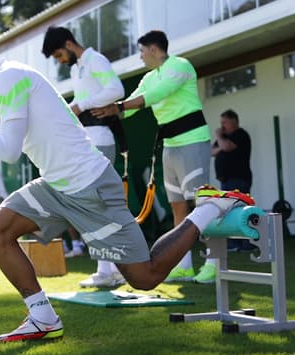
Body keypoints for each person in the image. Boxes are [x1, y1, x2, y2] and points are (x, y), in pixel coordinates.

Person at [0, 25, 247, 342]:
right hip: (57, 186)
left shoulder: (8, 77)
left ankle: (209, 209)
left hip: (90, 187)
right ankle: (43, 318)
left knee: (145, 277)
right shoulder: (5, 79)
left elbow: (8, 152)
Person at [91, 30, 216, 284]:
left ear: (154, 49)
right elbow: (133, 103)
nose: (140, 57)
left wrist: (120, 107)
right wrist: (110, 112)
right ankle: (184, 266)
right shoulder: (148, 77)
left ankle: (214, 263)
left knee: (203, 204)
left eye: (142, 51)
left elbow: (158, 94)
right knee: (178, 206)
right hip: (169, 145)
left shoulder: (179, 66)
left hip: (193, 141)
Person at [42, 26, 126, 288]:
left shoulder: (95, 60)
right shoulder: (77, 68)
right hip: (86, 140)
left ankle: (111, 269)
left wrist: (81, 105)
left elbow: (116, 89)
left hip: (101, 137)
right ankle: (107, 269)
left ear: (68, 43)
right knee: (93, 206)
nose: (59, 60)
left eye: (58, 54)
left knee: (98, 206)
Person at [211, 110, 254, 252]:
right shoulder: (225, 137)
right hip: (227, 180)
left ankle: (247, 244)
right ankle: (235, 243)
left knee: (241, 212)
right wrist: (221, 144)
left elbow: (225, 147)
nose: (222, 126)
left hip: (238, 179)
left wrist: (219, 138)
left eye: (225, 122)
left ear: (234, 121)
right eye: (221, 122)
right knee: (229, 212)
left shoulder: (240, 135)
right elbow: (212, 151)